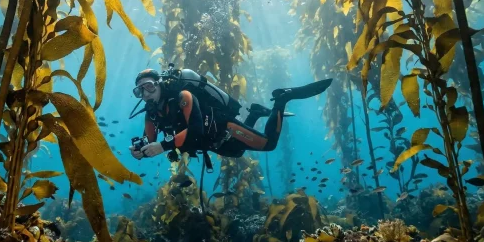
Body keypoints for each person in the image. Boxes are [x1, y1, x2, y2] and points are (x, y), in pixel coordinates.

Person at [128, 67, 332, 162]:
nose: (145, 93)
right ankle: (255, 112)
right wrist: (140, 149)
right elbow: (150, 138)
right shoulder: (151, 113)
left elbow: (195, 131)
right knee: (238, 153)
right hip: (213, 143)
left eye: (148, 86)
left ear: (160, 84)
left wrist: (163, 146)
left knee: (268, 144)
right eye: (140, 91)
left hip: (224, 128)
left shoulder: (184, 95)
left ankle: (282, 98)